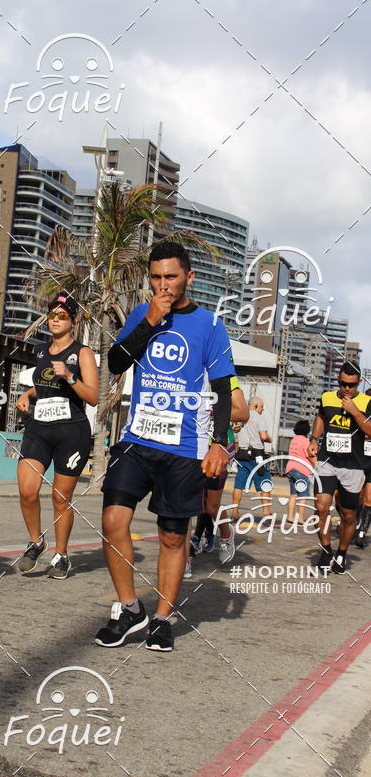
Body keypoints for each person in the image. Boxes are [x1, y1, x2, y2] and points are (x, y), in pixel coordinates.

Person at [94, 240, 235, 652]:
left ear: (188, 277)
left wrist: (219, 444)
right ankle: (129, 608)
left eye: (170, 277)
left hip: (185, 447)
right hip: (138, 439)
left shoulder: (209, 325)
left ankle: (162, 618)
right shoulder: (143, 313)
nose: (163, 285)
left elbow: (224, 389)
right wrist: (150, 322)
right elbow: (117, 363)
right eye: (155, 278)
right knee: (112, 520)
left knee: (173, 537)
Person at [15, 290, 98, 579]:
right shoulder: (40, 350)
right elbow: (44, 384)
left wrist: (70, 376)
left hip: (71, 432)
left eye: (62, 316)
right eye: (52, 315)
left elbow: (93, 396)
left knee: (60, 498)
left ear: (73, 321)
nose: (55, 320)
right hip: (39, 427)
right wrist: (27, 393)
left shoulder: (81, 353)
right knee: (27, 491)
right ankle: (36, 542)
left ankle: (61, 555)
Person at [308, 362, 371, 573]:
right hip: (327, 462)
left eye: (351, 385)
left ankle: (342, 553)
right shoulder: (327, 398)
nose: (346, 389)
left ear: (359, 384)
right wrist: (314, 439)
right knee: (321, 506)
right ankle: (326, 551)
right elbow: (321, 417)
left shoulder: (367, 402)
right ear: (338, 381)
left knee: (348, 515)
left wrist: (354, 411)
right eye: (343, 384)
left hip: (353, 466)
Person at [189, 376, 249, 571]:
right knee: (186, 501)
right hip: (190, 446)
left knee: (211, 507)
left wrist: (212, 412)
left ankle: (225, 532)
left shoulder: (226, 377)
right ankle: (185, 559)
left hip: (218, 448)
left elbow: (242, 412)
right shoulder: (190, 371)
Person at [231, 396, 272, 519]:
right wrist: (270, 439)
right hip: (257, 455)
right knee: (265, 482)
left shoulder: (242, 417)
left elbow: (236, 430)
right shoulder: (259, 418)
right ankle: (265, 512)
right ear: (255, 407)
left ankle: (234, 510)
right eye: (261, 407)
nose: (263, 409)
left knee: (239, 484)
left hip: (242, 455)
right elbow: (263, 436)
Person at [286, 419, 312, 524]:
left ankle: (290, 517)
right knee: (303, 495)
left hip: (290, 468)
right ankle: (301, 519)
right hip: (302, 470)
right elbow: (309, 454)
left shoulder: (294, 439)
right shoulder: (306, 441)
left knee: (293, 494)